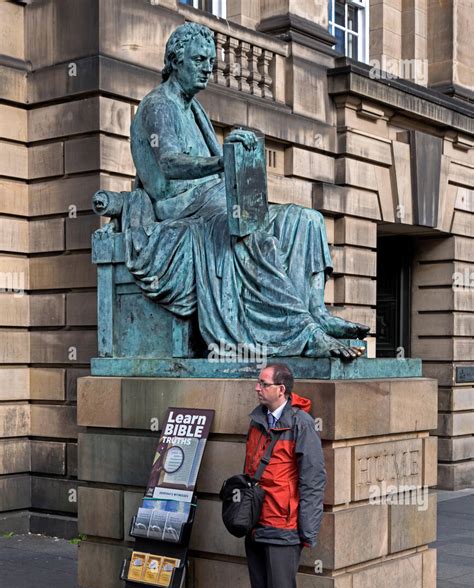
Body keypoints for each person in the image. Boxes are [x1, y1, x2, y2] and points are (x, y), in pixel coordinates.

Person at [123, 22, 368, 361]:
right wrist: (223, 160)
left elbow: (216, 167)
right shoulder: (158, 105)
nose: (208, 68)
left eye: (211, 61)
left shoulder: (195, 109)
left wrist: (237, 158)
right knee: (246, 229)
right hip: (184, 210)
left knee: (305, 220)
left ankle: (316, 312)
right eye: (199, 60)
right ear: (175, 61)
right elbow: (170, 163)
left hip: (214, 199)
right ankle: (301, 333)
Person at [238, 362, 326, 588]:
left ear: (281, 389)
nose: (257, 388)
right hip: (256, 524)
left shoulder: (301, 424)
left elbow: (314, 481)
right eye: (258, 383)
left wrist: (307, 532)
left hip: (284, 526)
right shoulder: (257, 421)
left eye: (262, 383)